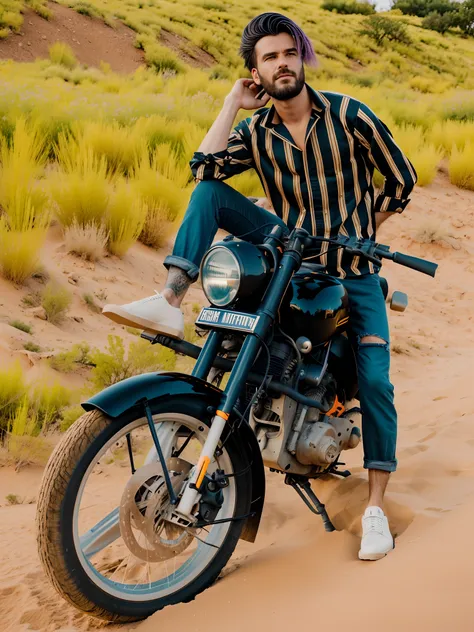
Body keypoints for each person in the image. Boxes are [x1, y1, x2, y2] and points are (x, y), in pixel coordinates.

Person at [103, 12, 417, 561]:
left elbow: (401, 179)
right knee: (209, 196)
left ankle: (373, 507)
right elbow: (203, 169)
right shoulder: (257, 131)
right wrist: (230, 104)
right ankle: (170, 296)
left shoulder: (348, 115)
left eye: (289, 53)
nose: (282, 64)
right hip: (287, 250)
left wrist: (365, 235)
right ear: (256, 71)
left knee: (377, 382)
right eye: (269, 58)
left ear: (303, 57)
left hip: (354, 269)